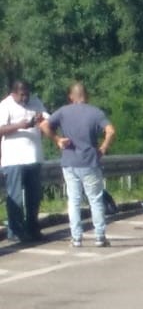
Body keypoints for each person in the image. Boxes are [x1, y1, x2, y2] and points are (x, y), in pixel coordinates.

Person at [39, 82, 116, 248]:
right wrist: (102, 148)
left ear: (71, 97)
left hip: (69, 162)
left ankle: (76, 238)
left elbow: (44, 125)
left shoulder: (63, 111)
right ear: (86, 96)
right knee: (95, 199)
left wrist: (57, 139)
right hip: (89, 161)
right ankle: (100, 237)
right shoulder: (95, 112)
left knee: (73, 200)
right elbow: (110, 131)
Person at [0, 79, 47, 242]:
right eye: (21, 95)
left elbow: (47, 120)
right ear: (13, 93)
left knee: (34, 196)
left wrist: (41, 119)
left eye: (27, 94)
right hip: (13, 159)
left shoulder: (35, 102)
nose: (25, 98)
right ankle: (16, 232)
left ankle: (33, 228)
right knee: (16, 198)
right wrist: (19, 125)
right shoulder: (5, 105)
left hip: (34, 157)